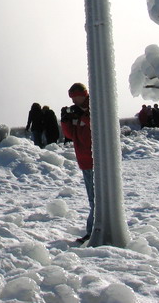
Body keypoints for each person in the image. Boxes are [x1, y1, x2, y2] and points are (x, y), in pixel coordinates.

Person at [60, 83, 93, 244]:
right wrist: (65, 121)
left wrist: (82, 114)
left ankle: (93, 232)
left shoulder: (93, 106)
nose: (73, 101)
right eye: (72, 98)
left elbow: (97, 125)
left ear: (83, 94)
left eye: (75, 97)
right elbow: (70, 135)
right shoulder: (78, 111)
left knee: (96, 199)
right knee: (93, 199)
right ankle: (94, 230)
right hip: (84, 160)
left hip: (96, 160)